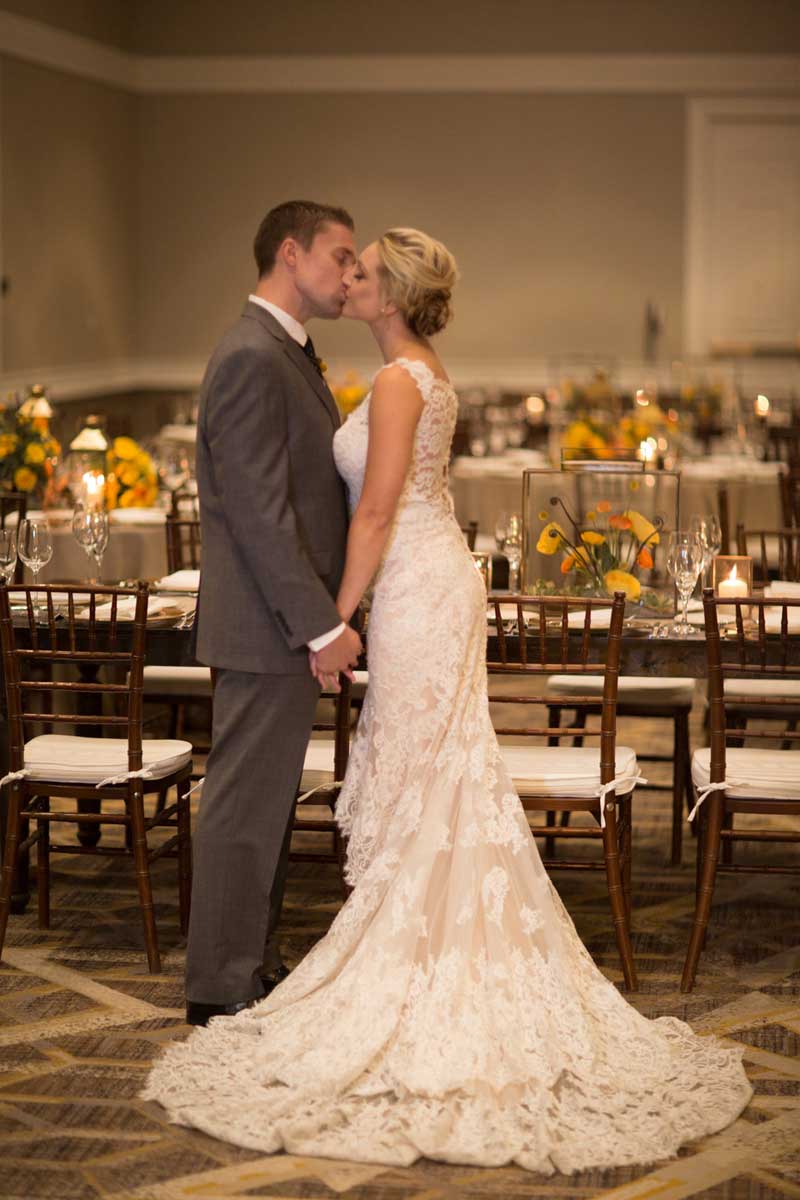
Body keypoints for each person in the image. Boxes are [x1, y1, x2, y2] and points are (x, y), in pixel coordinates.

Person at [145, 228, 752, 1171]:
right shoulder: (420, 373)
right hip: (426, 584)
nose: (350, 278)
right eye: (347, 263)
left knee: (427, 772)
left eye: (363, 271)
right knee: (431, 774)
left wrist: (333, 619)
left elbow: (377, 511)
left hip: (416, 590)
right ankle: (427, 946)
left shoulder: (401, 382)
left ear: (391, 295)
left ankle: (422, 962)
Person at [183, 201, 362, 1027]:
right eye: (339, 254)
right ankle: (219, 984)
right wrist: (321, 624)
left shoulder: (282, 350)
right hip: (266, 625)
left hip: (276, 625)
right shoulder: (252, 355)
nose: (349, 272)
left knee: (264, 809)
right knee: (242, 808)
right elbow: (259, 514)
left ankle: (245, 964)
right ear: (291, 253)